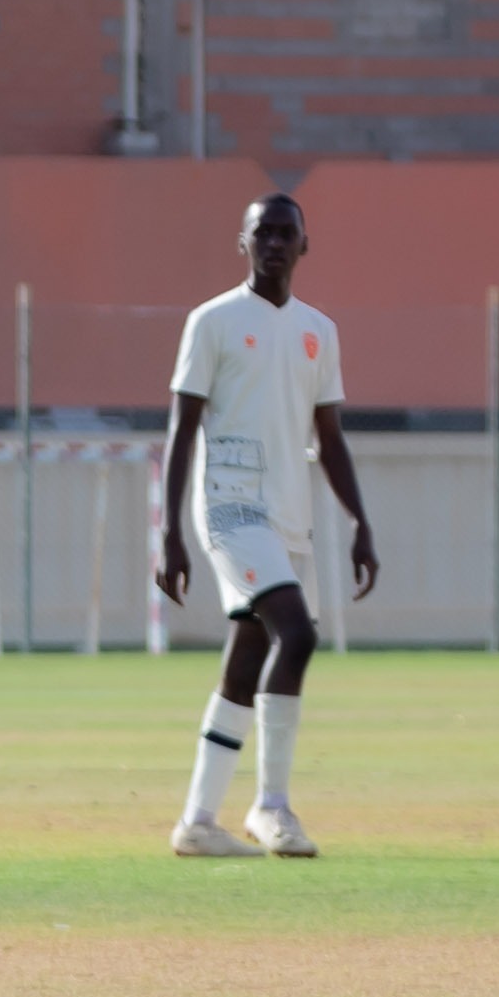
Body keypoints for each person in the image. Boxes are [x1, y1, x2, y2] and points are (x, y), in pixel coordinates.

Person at [155, 194, 375, 858]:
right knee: (297, 635)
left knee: (247, 659)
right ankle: (272, 806)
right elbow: (182, 429)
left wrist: (360, 521)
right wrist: (169, 531)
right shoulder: (212, 322)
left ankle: (198, 822)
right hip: (229, 505)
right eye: (263, 233)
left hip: (289, 514)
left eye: (286, 234)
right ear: (243, 243)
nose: (274, 243)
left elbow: (329, 436)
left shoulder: (318, 330)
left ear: (305, 245)